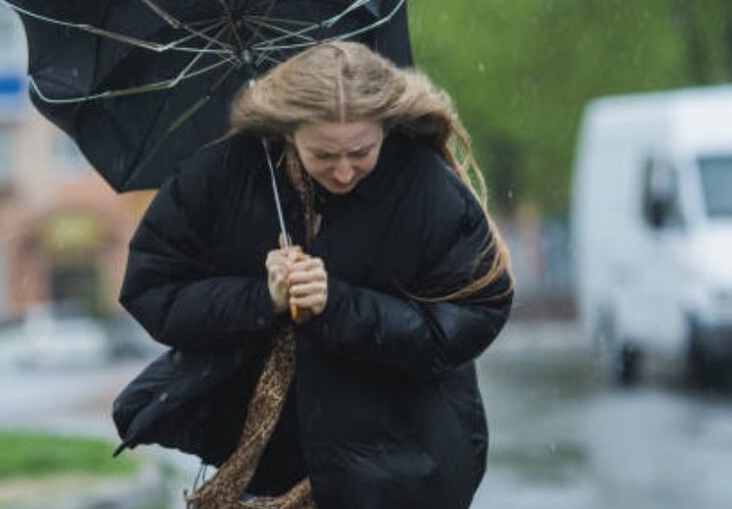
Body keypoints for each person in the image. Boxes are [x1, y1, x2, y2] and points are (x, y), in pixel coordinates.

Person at [112, 41, 514, 509]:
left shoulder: (426, 187)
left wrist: (340, 305)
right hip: (265, 470)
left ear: (386, 127)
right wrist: (261, 299)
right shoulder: (224, 174)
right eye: (323, 154)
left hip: (398, 472)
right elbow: (153, 289)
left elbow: (474, 314)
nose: (344, 172)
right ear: (287, 131)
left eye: (361, 152)